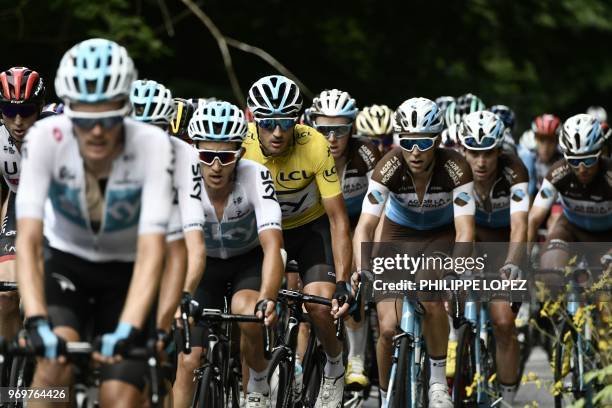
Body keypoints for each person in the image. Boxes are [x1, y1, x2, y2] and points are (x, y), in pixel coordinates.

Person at [15, 38, 175, 406]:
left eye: (108, 118)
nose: (98, 132)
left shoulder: (152, 146)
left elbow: (153, 250)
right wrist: (38, 320)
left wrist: (128, 328)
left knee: (119, 397)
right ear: (68, 110)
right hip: (66, 266)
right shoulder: (43, 138)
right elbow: (28, 239)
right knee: (51, 376)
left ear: (126, 108)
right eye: (86, 120)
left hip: (127, 273)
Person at [353, 97, 475, 408]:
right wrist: (363, 268)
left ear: (437, 139)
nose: (416, 151)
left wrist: (455, 270)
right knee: (388, 328)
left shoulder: (456, 167)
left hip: (439, 236)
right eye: (408, 142)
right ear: (399, 140)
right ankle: (385, 395)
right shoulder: (388, 166)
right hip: (398, 236)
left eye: (424, 141)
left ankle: (436, 383)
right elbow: (365, 227)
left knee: (430, 294)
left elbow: (464, 230)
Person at [242, 75, 353, 407]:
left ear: (298, 121)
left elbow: (337, 219)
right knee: (249, 313)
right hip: (261, 230)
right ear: (253, 119)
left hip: (309, 229)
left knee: (318, 305)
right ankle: (254, 390)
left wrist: (344, 279)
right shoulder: (242, 145)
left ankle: (334, 365)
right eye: (269, 122)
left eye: (286, 122)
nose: (278, 131)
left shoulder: (315, 144)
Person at [174, 101, 284, 408]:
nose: (216, 166)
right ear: (193, 151)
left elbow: (273, 245)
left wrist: (268, 297)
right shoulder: (185, 180)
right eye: (206, 156)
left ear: (241, 155)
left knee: (248, 312)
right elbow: (187, 249)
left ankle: (259, 380)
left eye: (225, 157)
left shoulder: (256, 177)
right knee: (188, 360)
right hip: (203, 265)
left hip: (247, 261)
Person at [309, 89, 381, 390]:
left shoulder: (366, 153)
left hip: (355, 220)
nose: (332, 137)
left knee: (352, 277)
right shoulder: (306, 149)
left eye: (340, 129)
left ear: (352, 128)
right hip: (316, 221)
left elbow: (380, 206)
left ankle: (356, 359)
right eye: (324, 129)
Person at [457, 110, 529, 404]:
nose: (481, 161)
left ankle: (509, 399)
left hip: (505, 244)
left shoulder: (515, 170)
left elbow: (521, 224)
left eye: (488, 152)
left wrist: (513, 262)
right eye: (473, 152)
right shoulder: (455, 171)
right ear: (463, 150)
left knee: (503, 323)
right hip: (471, 238)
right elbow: (457, 228)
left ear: (500, 150)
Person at [129, 79, 206, 351]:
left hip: (166, 251)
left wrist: (183, 295)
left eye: (158, 130)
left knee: (158, 353)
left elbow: (195, 242)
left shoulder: (186, 156)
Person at [528, 113, 612, 287]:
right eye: (574, 161)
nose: (582, 169)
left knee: (605, 296)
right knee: (551, 274)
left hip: (606, 237)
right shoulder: (558, 172)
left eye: (589, 160)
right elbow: (533, 218)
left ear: (600, 152)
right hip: (570, 229)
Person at [0, 66, 46, 345]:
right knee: (5, 296)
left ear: (40, 108)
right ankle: (8, 372)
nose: (18, 120)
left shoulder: (57, 134)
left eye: (27, 110)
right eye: (8, 109)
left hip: (57, 212)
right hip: (21, 207)